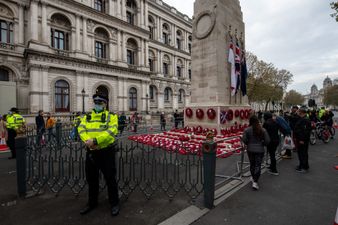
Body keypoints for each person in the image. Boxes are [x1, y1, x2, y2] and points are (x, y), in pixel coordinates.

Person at [78, 94, 119, 216]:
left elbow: (111, 132)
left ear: (105, 104)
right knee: (92, 179)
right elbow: (81, 129)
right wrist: (88, 142)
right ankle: (92, 203)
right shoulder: (87, 116)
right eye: (96, 102)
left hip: (106, 152)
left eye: (100, 102)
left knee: (110, 178)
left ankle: (114, 203)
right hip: (91, 152)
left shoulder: (111, 116)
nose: (97, 104)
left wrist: (95, 141)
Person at [242, 115, 270, 190]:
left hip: (250, 149)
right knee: (258, 165)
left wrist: (248, 143)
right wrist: (262, 144)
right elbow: (267, 141)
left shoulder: (247, 130)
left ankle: (253, 178)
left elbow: (244, 140)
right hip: (260, 149)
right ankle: (255, 181)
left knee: (252, 164)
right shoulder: (262, 130)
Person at [294, 107, 312, 173]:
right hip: (300, 139)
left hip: (302, 140)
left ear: (301, 112)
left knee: (303, 153)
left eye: (298, 112)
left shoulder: (305, 120)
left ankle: (304, 167)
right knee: (300, 153)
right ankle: (301, 165)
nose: (297, 112)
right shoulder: (302, 119)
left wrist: (302, 139)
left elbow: (305, 132)